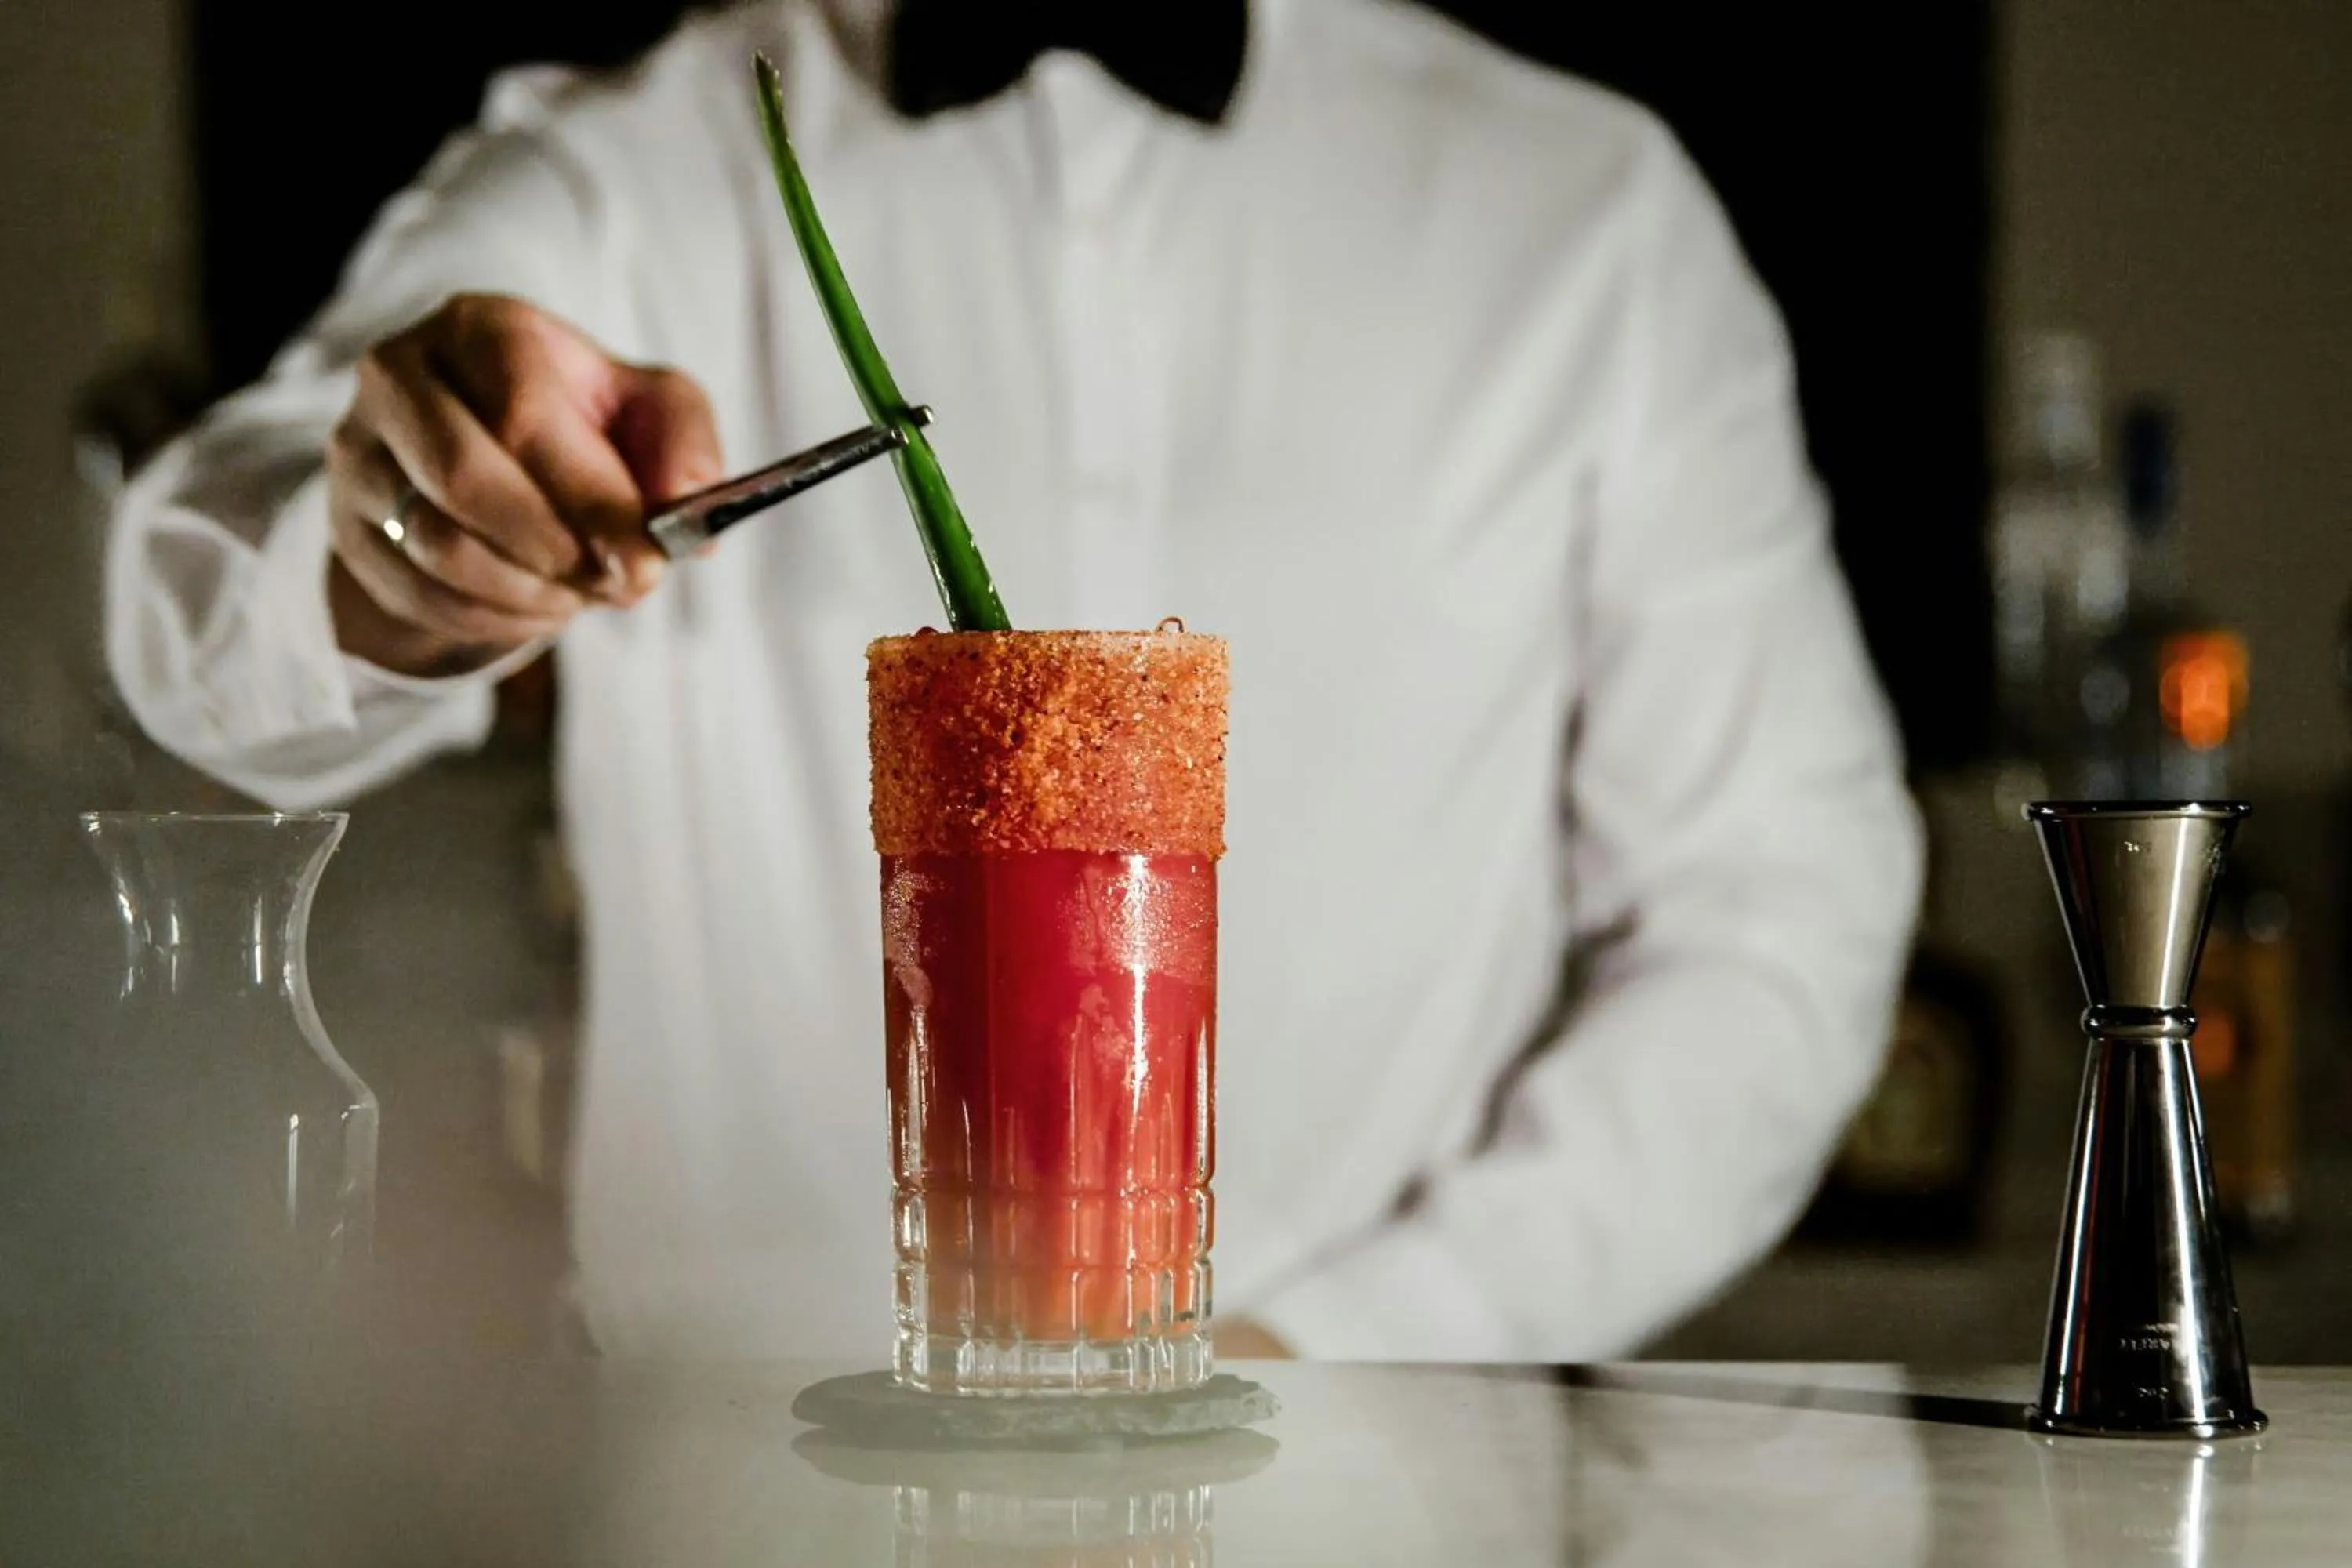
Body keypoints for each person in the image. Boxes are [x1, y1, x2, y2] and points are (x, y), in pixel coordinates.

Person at [107, 0, 1922, 1361]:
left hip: (1393, 1492)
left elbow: (1783, 913)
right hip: (721, 1498)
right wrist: (403, 539)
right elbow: (197, 634)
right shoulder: (628, 165)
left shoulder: (1587, 216)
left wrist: (1372, 1348)